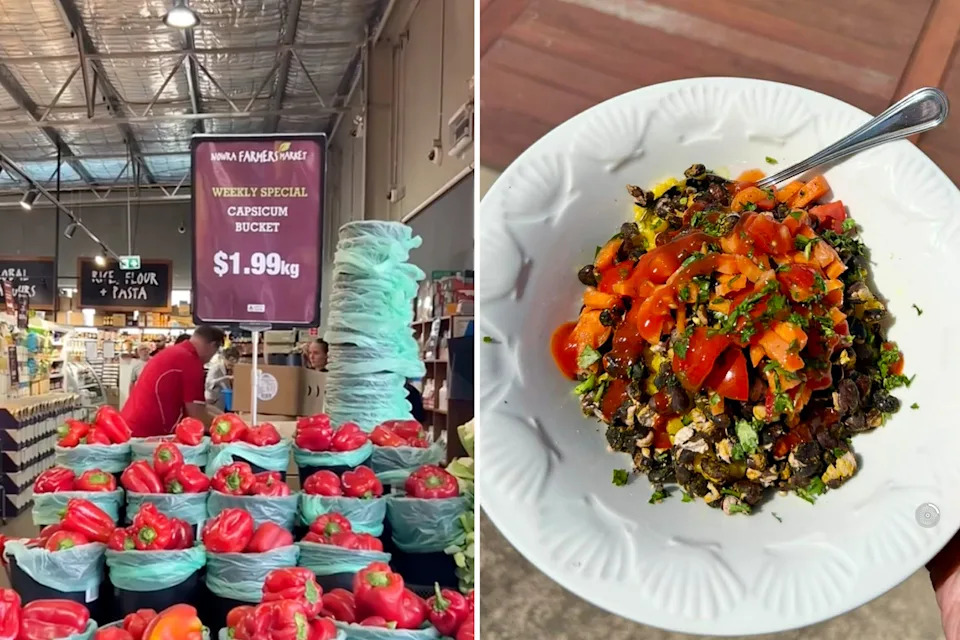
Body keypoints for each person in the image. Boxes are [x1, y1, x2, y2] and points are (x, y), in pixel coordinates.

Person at [121, 325, 225, 437]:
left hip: (130, 427)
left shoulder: (176, 353)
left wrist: (224, 418)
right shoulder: (190, 362)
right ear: (213, 345)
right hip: (146, 434)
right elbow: (197, 416)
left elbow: (198, 406)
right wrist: (227, 431)